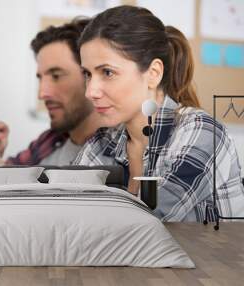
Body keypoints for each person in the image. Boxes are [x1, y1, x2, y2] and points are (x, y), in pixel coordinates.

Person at [73, 5, 244, 222]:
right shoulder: (102, 144)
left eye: (107, 72)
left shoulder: (202, 132)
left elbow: (147, 222)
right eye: (87, 74)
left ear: (153, 74)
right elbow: (67, 212)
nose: (90, 92)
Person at [0, 18, 106, 191]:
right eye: (40, 78)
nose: (42, 94)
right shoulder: (50, 140)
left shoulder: (116, 151)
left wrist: (1, 176)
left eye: (56, 76)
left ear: (90, 76)